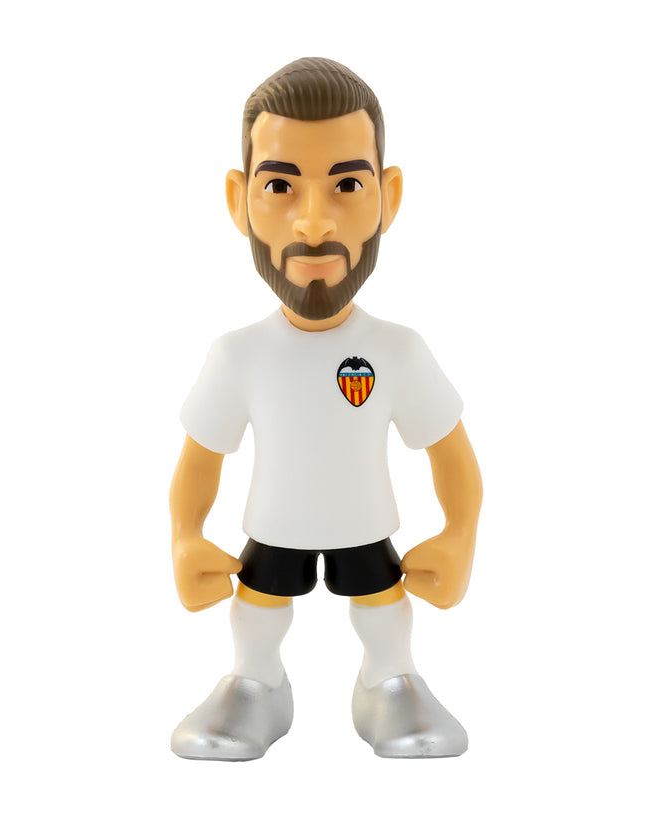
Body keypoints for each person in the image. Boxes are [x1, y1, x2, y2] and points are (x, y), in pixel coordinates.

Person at [169, 57, 483, 760]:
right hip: (273, 526)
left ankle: (389, 681)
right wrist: (185, 533)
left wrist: (460, 533)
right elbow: (200, 459)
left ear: (388, 197)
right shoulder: (238, 356)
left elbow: (451, 451)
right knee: (257, 609)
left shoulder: (398, 352)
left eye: (347, 185)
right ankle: (255, 683)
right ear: (239, 200)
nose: (313, 225)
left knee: (383, 609)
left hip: (363, 524)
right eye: (280, 186)